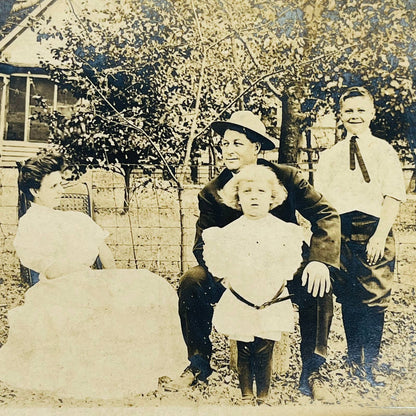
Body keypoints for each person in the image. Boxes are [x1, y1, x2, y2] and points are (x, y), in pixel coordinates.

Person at [165, 110, 341, 402]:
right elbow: (202, 245)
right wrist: (230, 272)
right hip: (235, 274)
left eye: (237, 143)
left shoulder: (286, 177)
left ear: (257, 148)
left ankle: (313, 372)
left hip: (282, 269)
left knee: (319, 283)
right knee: (192, 281)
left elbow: (325, 214)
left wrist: (319, 260)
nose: (228, 150)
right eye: (224, 144)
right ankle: (198, 364)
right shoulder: (212, 192)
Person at [0, 152, 187, 399]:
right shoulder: (31, 224)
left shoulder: (75, 218)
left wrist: (115, 280)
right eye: (53, 186)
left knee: (153, 285)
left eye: (61, 183)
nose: (60, 190)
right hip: (57, 287)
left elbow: (103, 252)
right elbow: (51, 270)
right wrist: (81, 266)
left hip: (88, 280)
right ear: (35, 191)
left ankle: (159, 361)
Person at [314, 86, 406, 387]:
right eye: (349, 111)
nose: (355, 116)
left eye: (361, 110)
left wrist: (379, 236)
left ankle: (371, 365)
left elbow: (393, 196)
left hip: (373, 227)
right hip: (339, 227)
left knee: (374, 296)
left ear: (372, 114)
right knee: (351, 296)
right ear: (341, 116)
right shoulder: (330, 155)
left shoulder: (383, 150)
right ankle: (354, 361)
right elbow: (322, 199)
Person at [202, 164, 304, 404]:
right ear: (238, 198)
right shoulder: (228, 233)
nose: (254, 197)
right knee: (244, 346)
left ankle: (264, 395)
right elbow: (219, 261)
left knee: (264, 344)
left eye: (261, 191)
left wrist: (278, 278)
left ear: (272, 197)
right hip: (242, 295)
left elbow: (289, 261)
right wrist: (226, 276)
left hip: (270, 294)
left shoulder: (283, 231)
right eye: (247, 192)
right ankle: (246, 394)